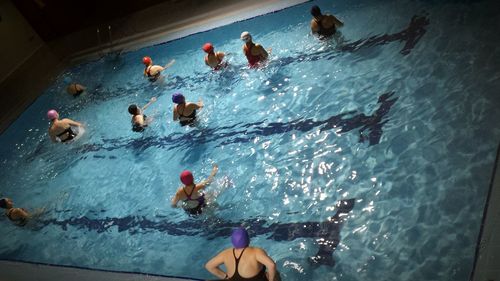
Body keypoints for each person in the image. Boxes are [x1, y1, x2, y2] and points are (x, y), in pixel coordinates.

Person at [205, 228, 279, 281]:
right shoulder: (256, 251)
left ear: (232, 242)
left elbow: (209, 266)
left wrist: (225, 277)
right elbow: (271, 265)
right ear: (248, 240)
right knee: (275, 274)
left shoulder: (225, 253)